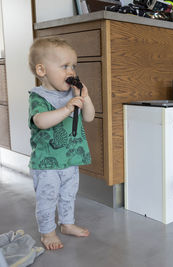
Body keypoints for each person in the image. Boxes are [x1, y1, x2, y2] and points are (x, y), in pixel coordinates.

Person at [28, 37, 95, 250]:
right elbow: (40, 121)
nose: (71, 71)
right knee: (47, 198)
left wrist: (85, 97)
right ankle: (47, 232)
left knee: (68, 195)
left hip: (69, 159)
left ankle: (67, 224)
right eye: (64, 66)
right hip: (47, 163)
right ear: (42, 70)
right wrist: (66, 109)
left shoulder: (71, 94)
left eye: (73, 66)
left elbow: (90, 117)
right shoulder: (38, 97)